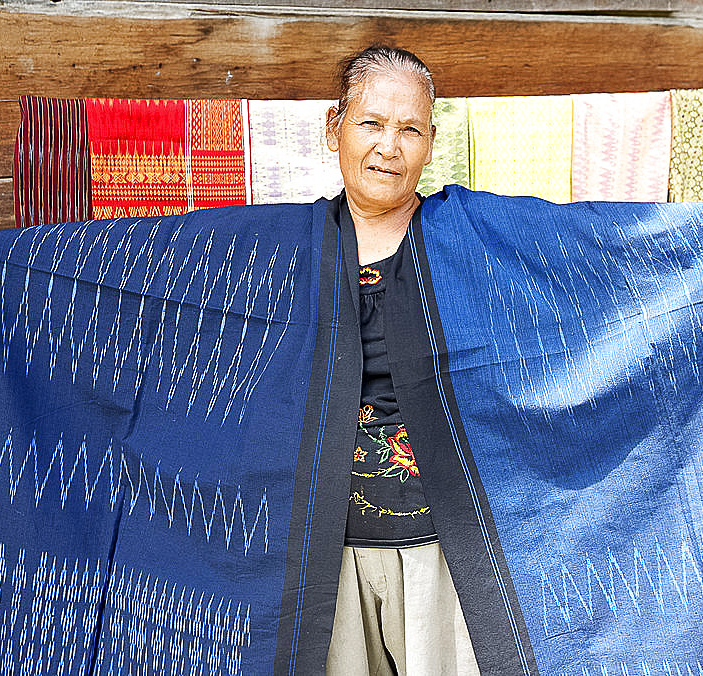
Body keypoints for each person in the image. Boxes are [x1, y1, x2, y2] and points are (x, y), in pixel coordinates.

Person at [322, 45, 481, 675]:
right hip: (329, 555)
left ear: (432, 142)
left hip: (442, 551)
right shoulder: (293, 252)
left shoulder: (468, 236)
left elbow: (592, 250)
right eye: (371, 124)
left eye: (410, 129)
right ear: (333, 128)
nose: (390, 146)